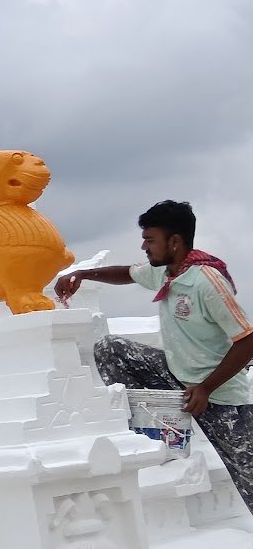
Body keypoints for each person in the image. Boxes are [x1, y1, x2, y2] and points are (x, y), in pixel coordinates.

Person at [57, 200, 253, 508]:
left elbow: (247, 340)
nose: (144, 246)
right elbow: (127, 273)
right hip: (178, 381)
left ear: (174, 242)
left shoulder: (206, 281)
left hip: (221, 397)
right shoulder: (166, 274)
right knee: (111, 350)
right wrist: (83, 274)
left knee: (249, 479)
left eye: (150, 240)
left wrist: (206, 388)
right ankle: (159, 431)